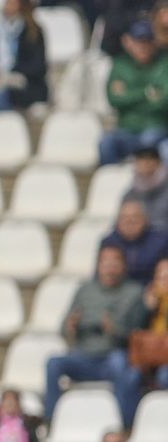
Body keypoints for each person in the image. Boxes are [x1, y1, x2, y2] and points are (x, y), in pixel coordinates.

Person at [46, 245, 143, 425]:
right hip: (84, 357)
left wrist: (115, 330)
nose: (110, 267)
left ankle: (125, 425)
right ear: (98, 265)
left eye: (115, 262)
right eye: (105, 262)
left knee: (121, 364)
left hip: (112, 356)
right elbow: (64, 329)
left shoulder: (134, 293)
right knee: (53, 363)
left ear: (124, 266)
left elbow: (138, 335)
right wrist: (70, 327)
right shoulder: (85, 291)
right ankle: (51, 421)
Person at [100, 22, 168, 165]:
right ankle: (110, 184)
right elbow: (114, 100)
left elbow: (163, 101)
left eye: (147, 42)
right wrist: (146, 93)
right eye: (139, 42)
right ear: (128, 42)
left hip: (156, 130)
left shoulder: (164, 64)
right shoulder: (120, 65)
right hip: (126, 131)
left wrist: (129, 96)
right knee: (106, 143)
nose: (143, 47)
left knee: (152, 142)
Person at [0, 0, 47, 113]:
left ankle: (5, 129)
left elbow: (38, 66)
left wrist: (12, 74)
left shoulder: (33, 32)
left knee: (0, 96)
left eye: (12, 3)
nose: (7, 6)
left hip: (28, 85)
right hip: (2, 80)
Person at [101, 199, 168, 285]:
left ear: (145, 219)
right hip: (117, 293)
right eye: (124, 217)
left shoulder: (162, 241)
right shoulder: (109, 242)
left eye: (135, 216)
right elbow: (99, 277)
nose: (129, 221)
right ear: (117, 221)